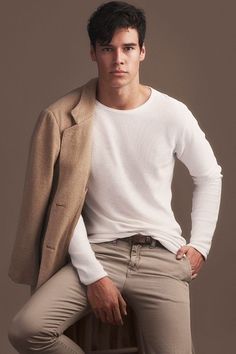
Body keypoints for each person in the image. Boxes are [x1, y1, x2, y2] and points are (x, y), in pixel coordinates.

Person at [8, 1, 223, 353]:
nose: (118, 59)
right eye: (107, 49)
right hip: (98, 252)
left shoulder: (172, 114)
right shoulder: (66, 117)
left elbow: (209, 175)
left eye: (127, 48)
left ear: (142, 52)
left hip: (160, 257)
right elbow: (64, 207)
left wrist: (200, 244)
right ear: (93, 53)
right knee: (27, 329)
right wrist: (94, 275)